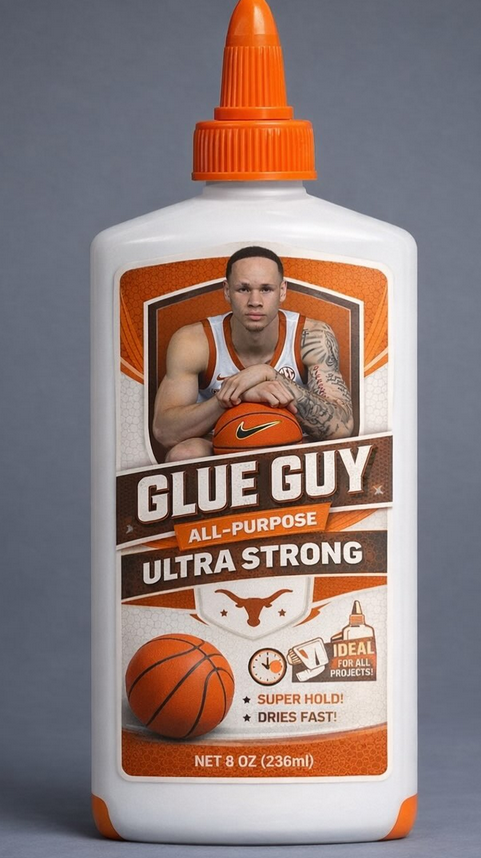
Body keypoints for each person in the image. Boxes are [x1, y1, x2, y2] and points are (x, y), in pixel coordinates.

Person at [153, 246, 354, 462]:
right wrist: (234, 396)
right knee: (184, 454)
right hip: (221, 440)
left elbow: (341, 427)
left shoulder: (312, 336)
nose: (255, 301)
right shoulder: (195, 341)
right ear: (227, 291)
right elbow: (165, 432)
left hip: (291, 441)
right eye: (243, 289)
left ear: (282, 291)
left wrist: (268, 375)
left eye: (266, 289)